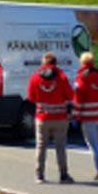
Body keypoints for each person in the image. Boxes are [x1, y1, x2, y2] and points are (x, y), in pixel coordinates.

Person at [27, 51, 74, 184]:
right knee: (60, 147)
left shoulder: (35, 76)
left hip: (42, 116)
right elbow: (70, 95)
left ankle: (39, 174)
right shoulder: (61, 76)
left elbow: (31, 97)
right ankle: (63, 174)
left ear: (43, 63)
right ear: (55, 63)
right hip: (59, 116)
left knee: (41, 146)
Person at [74, 52, 98, 181]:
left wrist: (76, 115)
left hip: (89, 116)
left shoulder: (82, 77)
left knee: (93, 145)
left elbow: (78, 97)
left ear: (82, 63)